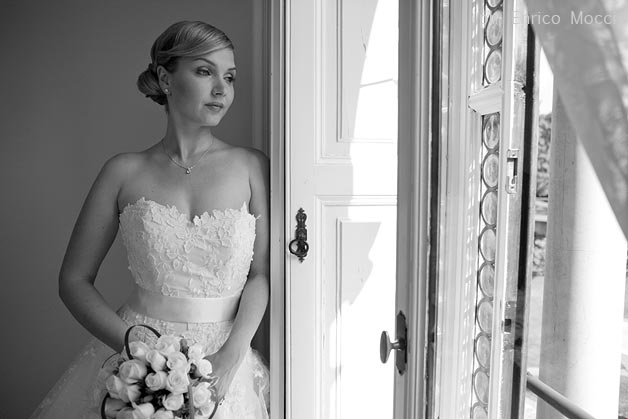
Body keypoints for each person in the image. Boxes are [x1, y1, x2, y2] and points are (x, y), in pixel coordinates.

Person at [30, 20, 270, 419]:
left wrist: (230, 356)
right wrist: (136, 347)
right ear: (165, 77)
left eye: (229, 76)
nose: (222, 89)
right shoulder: (123, 172)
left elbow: (260, 274)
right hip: (138, 363)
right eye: (204, 71)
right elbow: (72, 281)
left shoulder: (251, 166)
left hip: (225, 361)